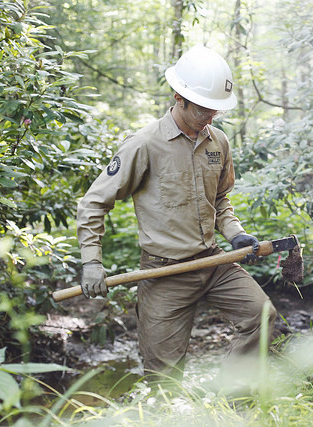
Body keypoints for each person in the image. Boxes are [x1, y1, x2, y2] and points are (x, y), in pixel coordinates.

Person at [76, 45, 277, 387]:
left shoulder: (219, 143)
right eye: (202, 108)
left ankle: (232, 403)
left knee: (262, 317)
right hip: (165, 271)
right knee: (163, 376)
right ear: (178, 97)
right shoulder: (143, 145)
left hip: (214, 262)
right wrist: (91, 262)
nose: (210, 116)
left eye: (215, 109)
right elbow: (94, 203)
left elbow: (221, 199)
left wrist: (235, 233)